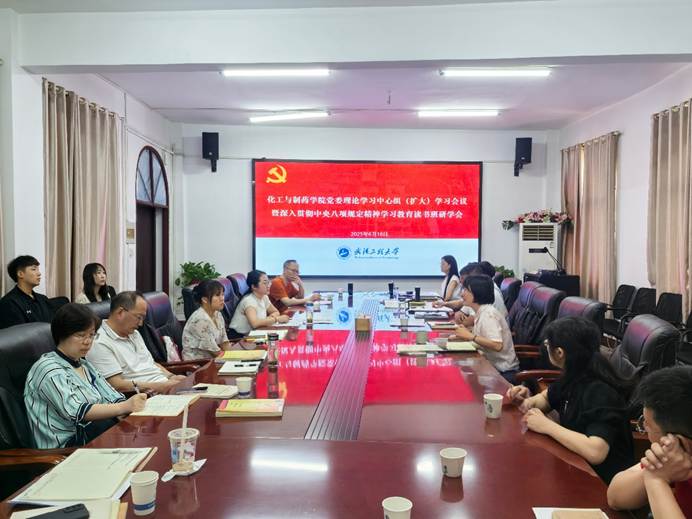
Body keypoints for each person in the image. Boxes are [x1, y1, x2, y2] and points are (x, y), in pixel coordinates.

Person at [506, 316, 634, 483]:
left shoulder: (600, 391)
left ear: (560, 353)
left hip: (603, 482)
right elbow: (544, 399)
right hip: (574, 465)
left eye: (547, 344)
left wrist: (547, 426)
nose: (546, 347)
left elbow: (596, 452)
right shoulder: (574, 374)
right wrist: (525, 399)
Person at [24, 304, 147, 448]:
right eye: (81, 335)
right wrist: (124, 407)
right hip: (66, 446)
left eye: (91, 335)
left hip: (93, 432)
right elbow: (77, 411)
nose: (88, 342)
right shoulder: (48, 369)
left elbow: (112, 396)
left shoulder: (83, 363)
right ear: (62, 334)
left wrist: (128, 407)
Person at [607, 366, 692, 518]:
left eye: (648, 425)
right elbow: (615, 497)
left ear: (680, 442)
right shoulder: (674, 459)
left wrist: (657, 480)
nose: (645, 429)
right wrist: (655, 473)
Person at [87, 291, 186, 393]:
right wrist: (160, 386)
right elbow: (116, 385)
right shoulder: (99, 342)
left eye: (143, 318)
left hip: (164, 387)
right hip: (145, 395)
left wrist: (171, 376)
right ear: (120, 312)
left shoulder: (134, 333)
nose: (141, 323)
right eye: (139, 317)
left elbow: (150, 363)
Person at [452, 275, 519, 382]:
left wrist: (470, 336)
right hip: (489, 366)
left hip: (502, 372)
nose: (462, 294)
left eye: (466, 290)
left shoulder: (488, 314)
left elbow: (497, 345)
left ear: (477, 292)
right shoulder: (481, 311)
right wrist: (463, 335)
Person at [435, 262, 507, 320]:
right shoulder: (476, 290)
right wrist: (445, 304)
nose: (461, 281)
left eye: (464, 278)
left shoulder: (488, 292)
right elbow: (460, 311)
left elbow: (471, 320)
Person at [182, 280, 233, 360]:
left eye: (222, 294)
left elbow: (224, 342)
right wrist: (234, 358)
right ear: (204, 299)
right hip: (199, 364)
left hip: (214, 359)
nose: (222, 298)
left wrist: (236, 355)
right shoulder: (199, 320)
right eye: (217, 295)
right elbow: (215, 352)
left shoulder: (217, 314)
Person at [0, 255, 54, 329]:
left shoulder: (43, 298)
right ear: (20, 274)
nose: (39, 273)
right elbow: (16, 333)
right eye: (34, 269)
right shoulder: (9, 302)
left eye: (38, 269)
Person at [230, 270, 289, 337]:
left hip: (255, 333)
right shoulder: (249, 301)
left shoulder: (264, 297)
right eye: (265, 283)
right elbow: (255, 324)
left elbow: (275, 312)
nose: (268, 286)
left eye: (268, 282)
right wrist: (276, 319)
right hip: (239, 337)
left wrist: (269, 319)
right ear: (254, 286)